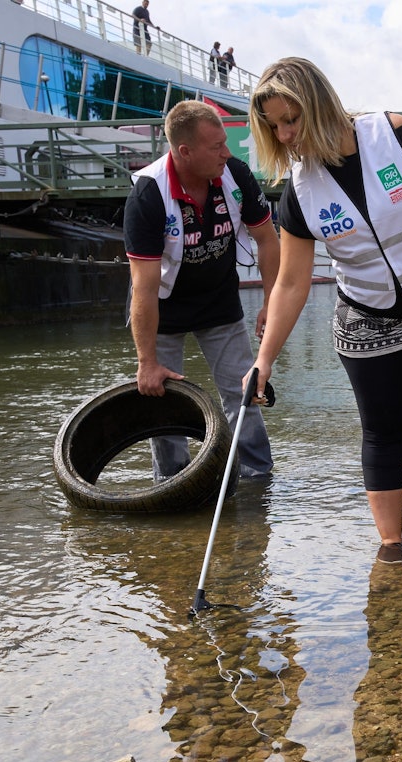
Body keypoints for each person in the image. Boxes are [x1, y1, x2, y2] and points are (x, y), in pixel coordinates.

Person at [246, 57, 402, 552]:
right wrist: (264, 359)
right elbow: (292, 282)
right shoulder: (298, 190)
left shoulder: (397, 136)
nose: (284, 135)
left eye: (291, 120)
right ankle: (391, 549)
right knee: (384, 433)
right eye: (274, 126)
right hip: (368, 318)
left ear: (319, 104)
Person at [123, 99, 279, 481]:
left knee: (242, 391)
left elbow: (268, 240)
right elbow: (142, 290)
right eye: (217, 147)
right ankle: (171, 483)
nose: (227, 153)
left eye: (226, 143)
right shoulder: (147, 195)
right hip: (163, 305)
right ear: (185, 152)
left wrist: (270, 302)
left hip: (218, 299)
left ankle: (257, 475)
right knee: (163, 398)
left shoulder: (235, 175)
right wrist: (147, 363)